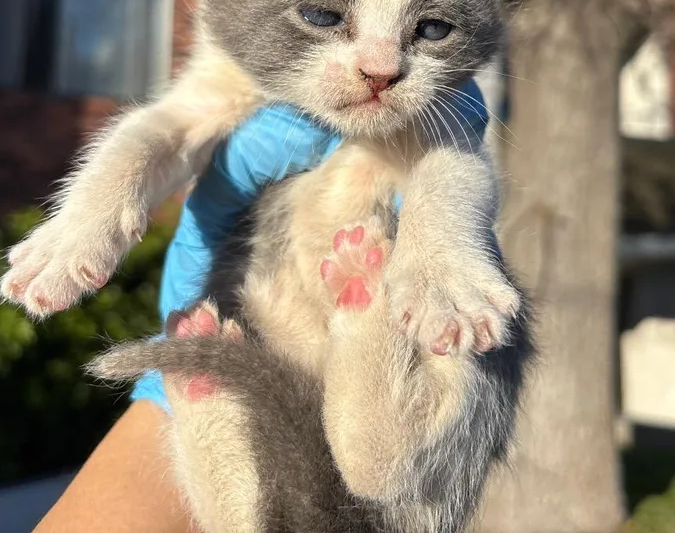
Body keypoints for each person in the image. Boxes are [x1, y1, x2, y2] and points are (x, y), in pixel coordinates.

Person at [34, 82, 489, 532]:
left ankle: (344, 433)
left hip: (289, 321)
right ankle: (375, 424)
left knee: (259, 511)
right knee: (379, 471)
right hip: (319, 315)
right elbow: (174, 125)